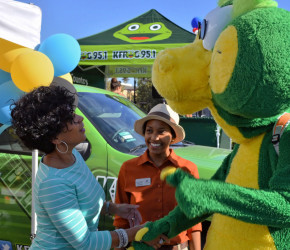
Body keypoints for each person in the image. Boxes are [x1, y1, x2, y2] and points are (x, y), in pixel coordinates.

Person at [10, 79, 149, 249]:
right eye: (71, 119)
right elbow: (86, 243)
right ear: (55, 138)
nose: (80, 118)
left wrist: (114, 209)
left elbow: (83, 202)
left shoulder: (72, 155)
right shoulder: (53, 184)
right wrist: (135, 233)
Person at [114, 103, 202, 250]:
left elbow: (194, 221)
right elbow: (121, 221)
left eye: (161, 132)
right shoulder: (128, 169)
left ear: (173, 137)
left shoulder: (188, 169)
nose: (154, 138)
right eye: (149, 131)